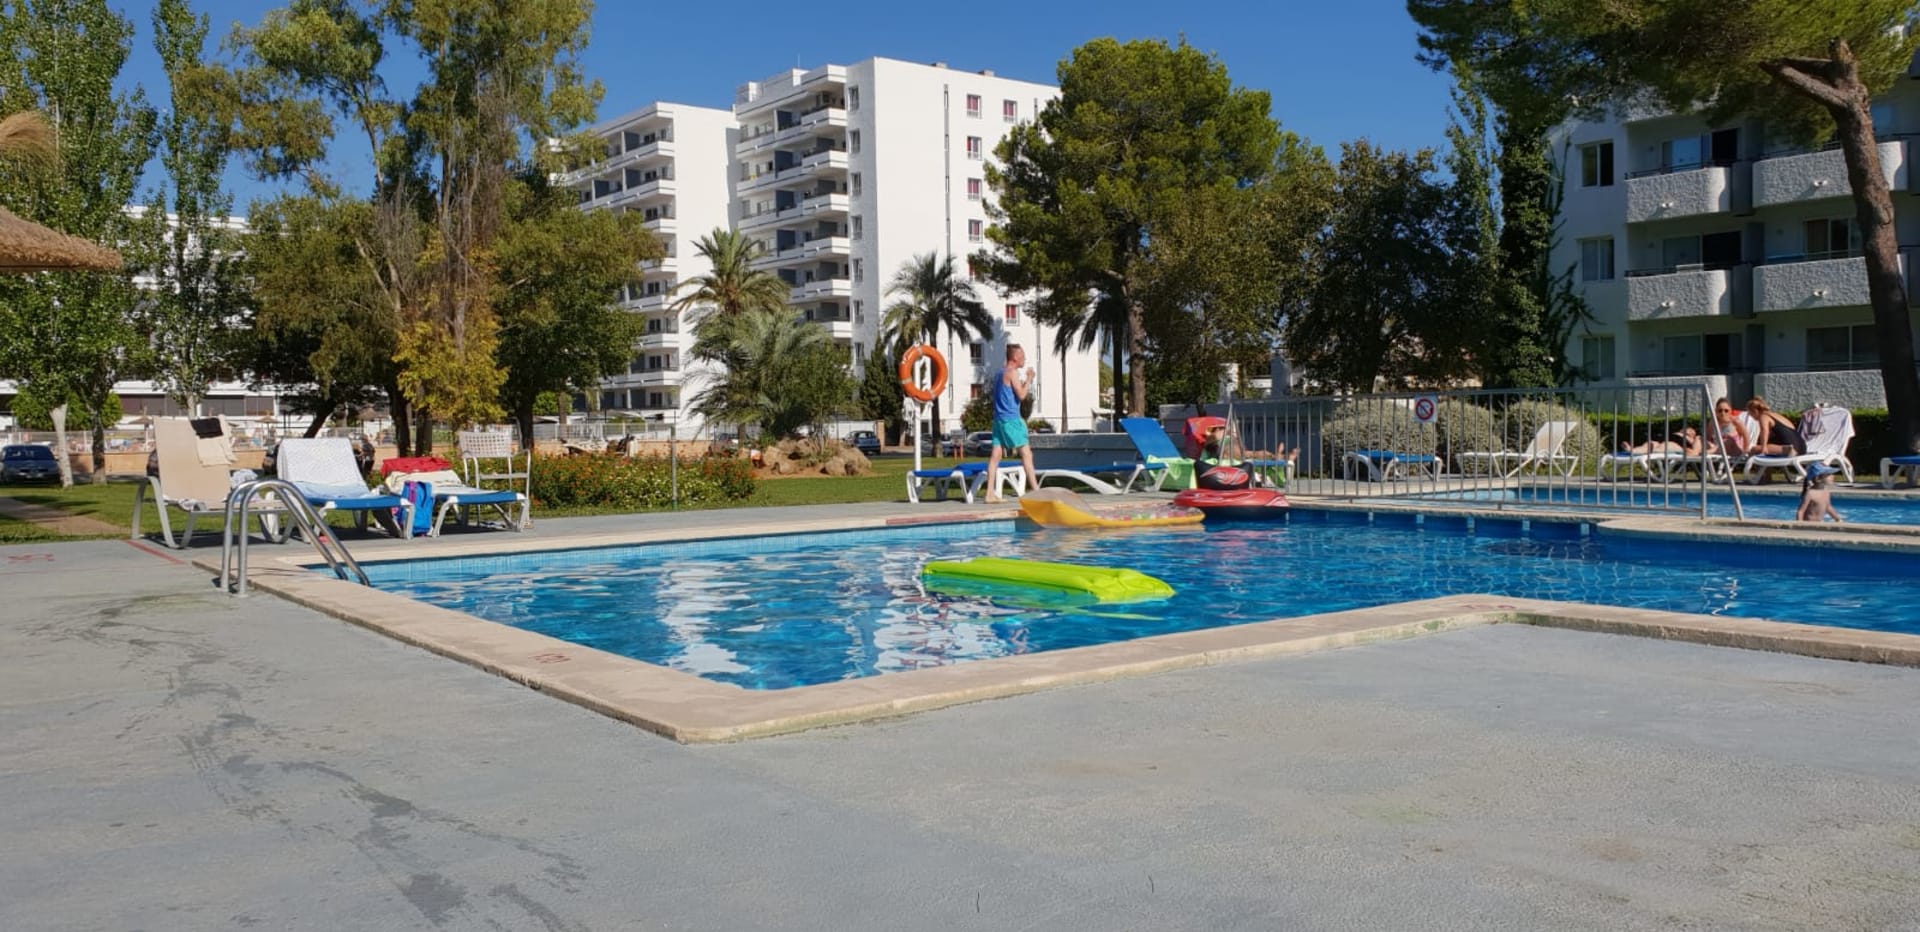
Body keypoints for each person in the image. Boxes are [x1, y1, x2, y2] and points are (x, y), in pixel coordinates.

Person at [984, 343, 1036, 503]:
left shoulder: (999, 373)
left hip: (998, 420)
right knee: (1026, 454)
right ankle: (1036, 491)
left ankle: (989, 494)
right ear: (1015, 358)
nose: (1024, 359)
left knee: (995, 456)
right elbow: (1021, 395)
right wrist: (1029, 379)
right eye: (1022, 356)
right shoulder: (1012, 373)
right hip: (1011, 420)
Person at [1618, 427, 1704, 457]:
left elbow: (1696, 449)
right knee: (1650, 443)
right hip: (1665, 439)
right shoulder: (1676, 433)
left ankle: (1653, 451)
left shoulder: (1695, 439)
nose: (1689, 430)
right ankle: (1632, 450)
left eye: (1691, 430)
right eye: (1687, 428)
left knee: (1666, 445)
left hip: (1680, 445)